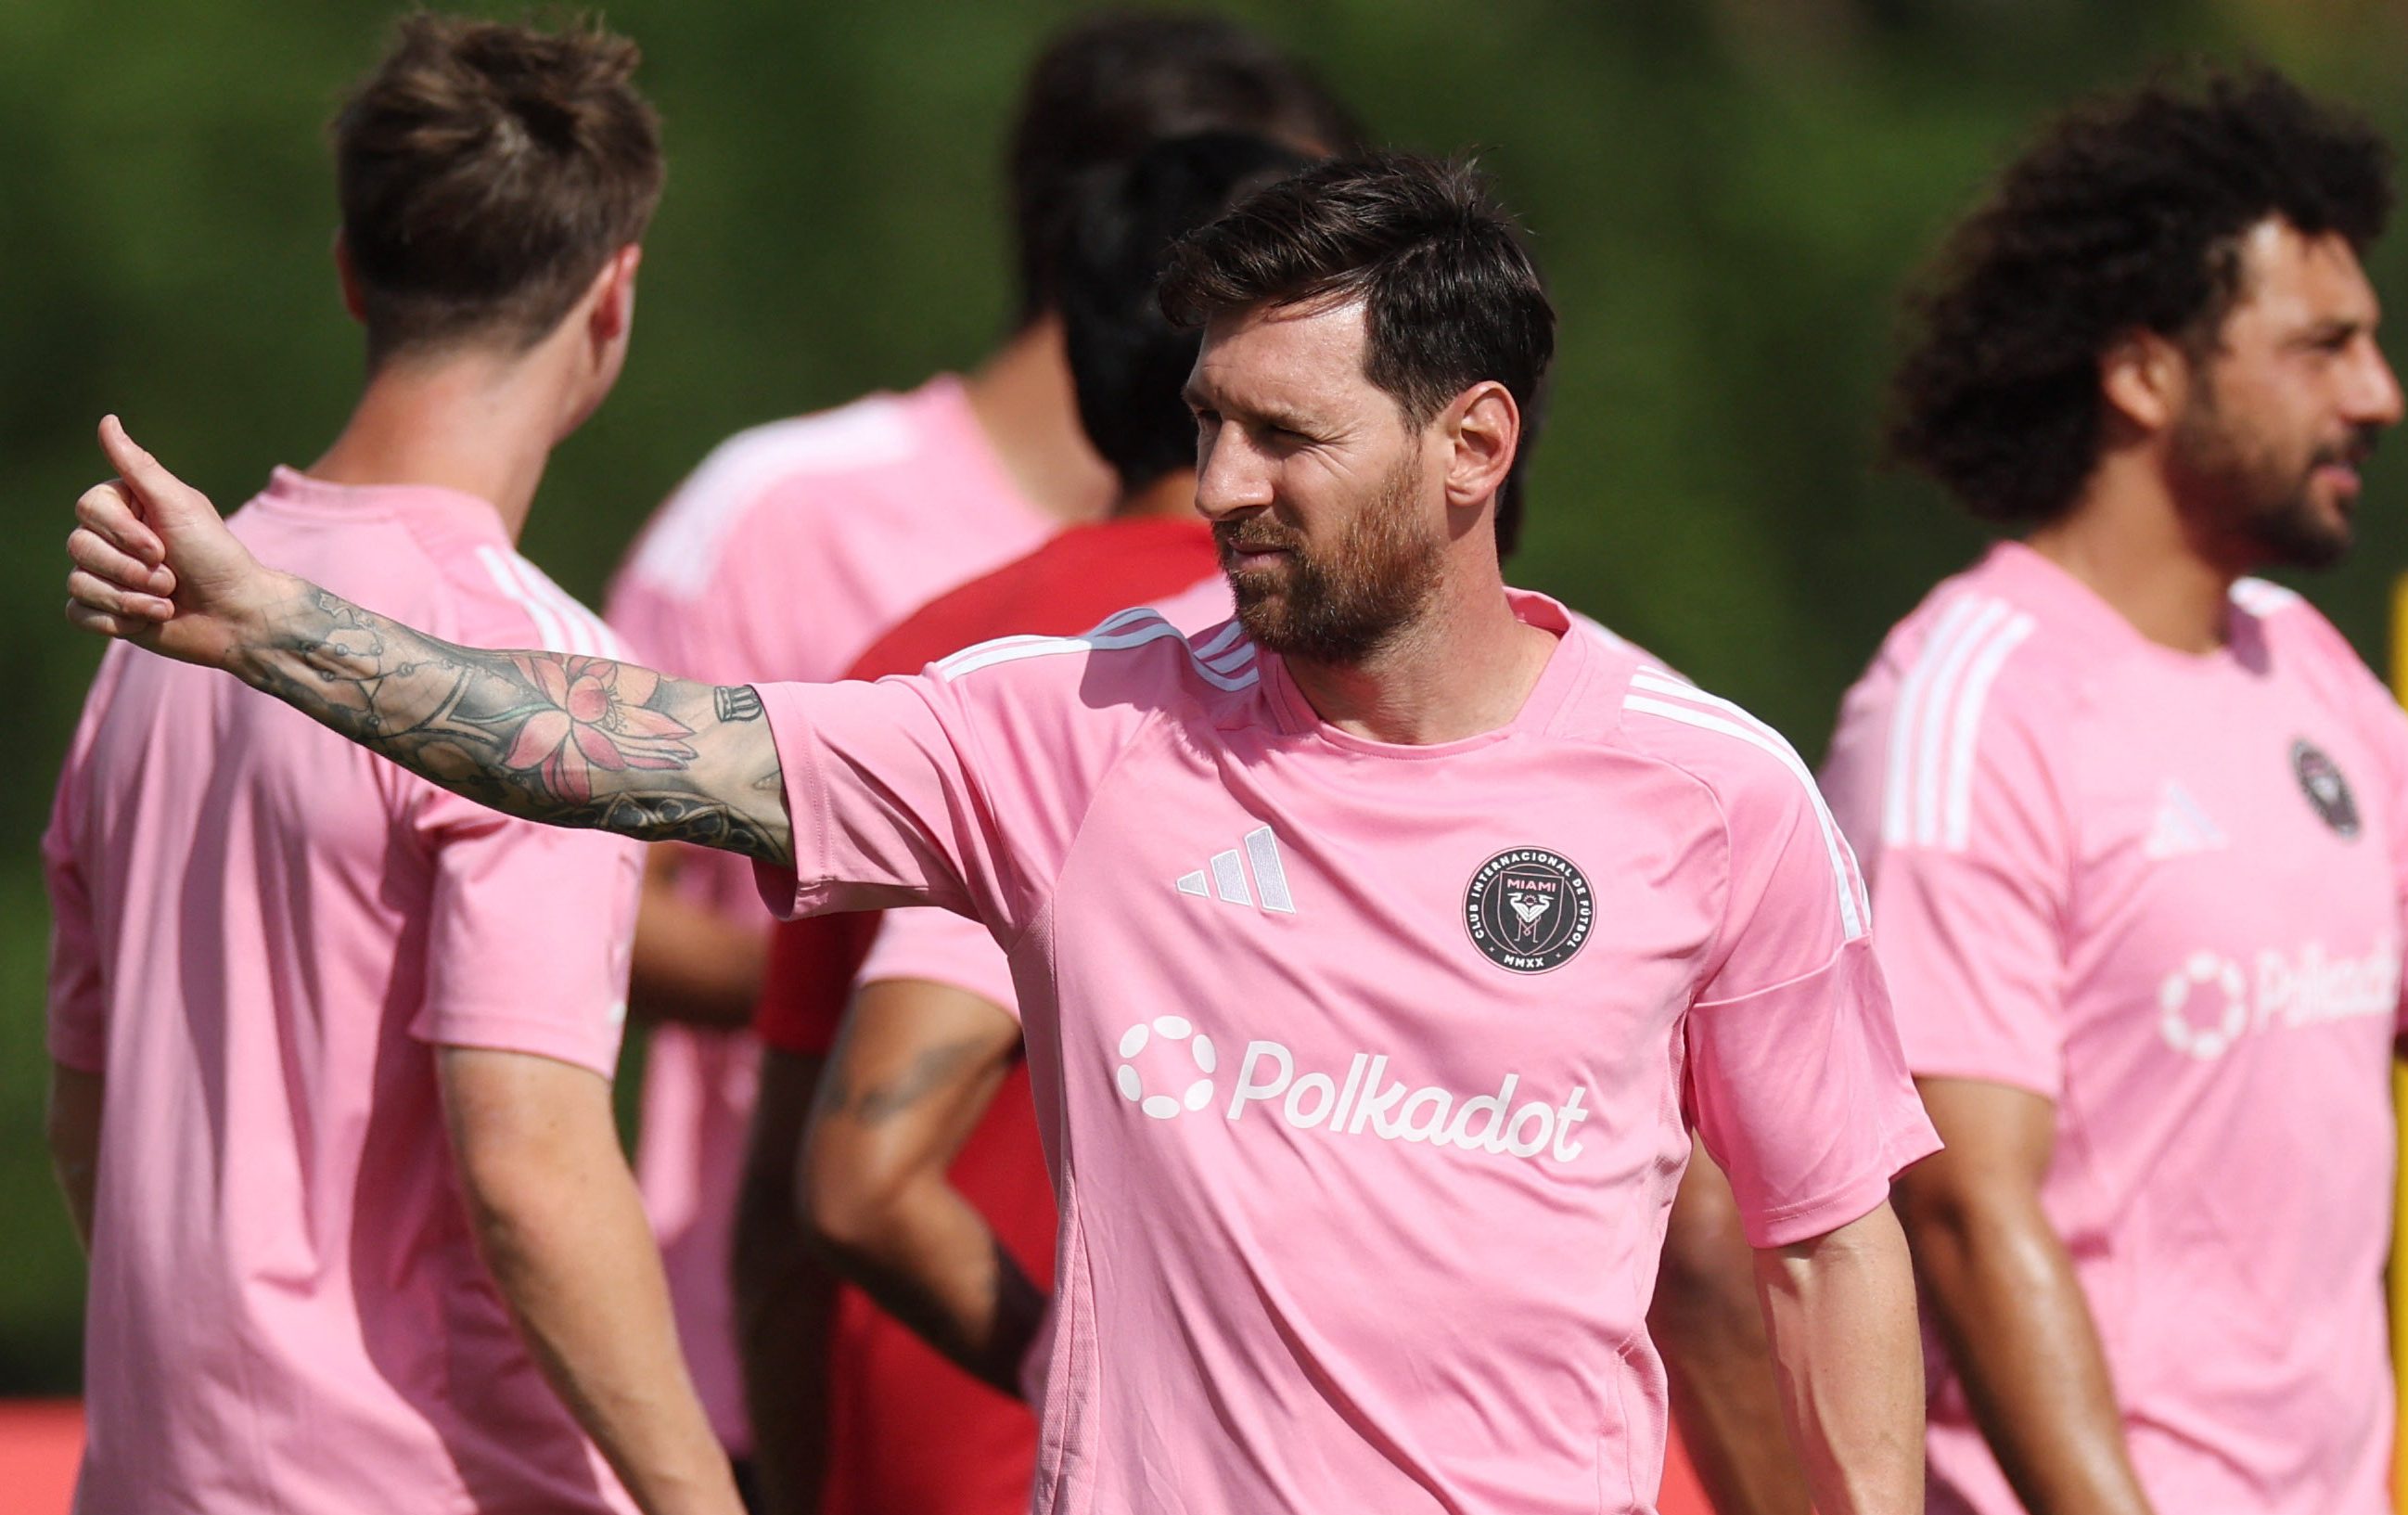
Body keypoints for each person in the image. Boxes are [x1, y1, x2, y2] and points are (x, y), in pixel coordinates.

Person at [64, 152, 1936, 1515]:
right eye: (1205, 426)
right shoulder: (1081, 723)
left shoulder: (1715, 791)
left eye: (1284, 436)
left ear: (1471, 446)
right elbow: (638, 754)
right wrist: (275, 628)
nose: (1216, 486)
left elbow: (1823, 1239)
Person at [597, 16, 1359, 1477]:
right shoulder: (787, 514)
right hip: (817, 1373)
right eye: (1313, 248)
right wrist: (997, 947)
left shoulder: (1298, 586)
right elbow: (572, 903)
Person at [41, 16, 741, 1515]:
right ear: (614, 294)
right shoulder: (544, 680)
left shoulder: (153, 626)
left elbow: (88, 1120)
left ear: (353, 272)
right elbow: (532, 1173)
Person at [1819, 65, 2405, 1515]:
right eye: (2323, 346)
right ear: (2145, 373)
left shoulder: (2311, 667)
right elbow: (1961, 1206)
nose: (2377, 396)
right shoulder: (1967, 706)